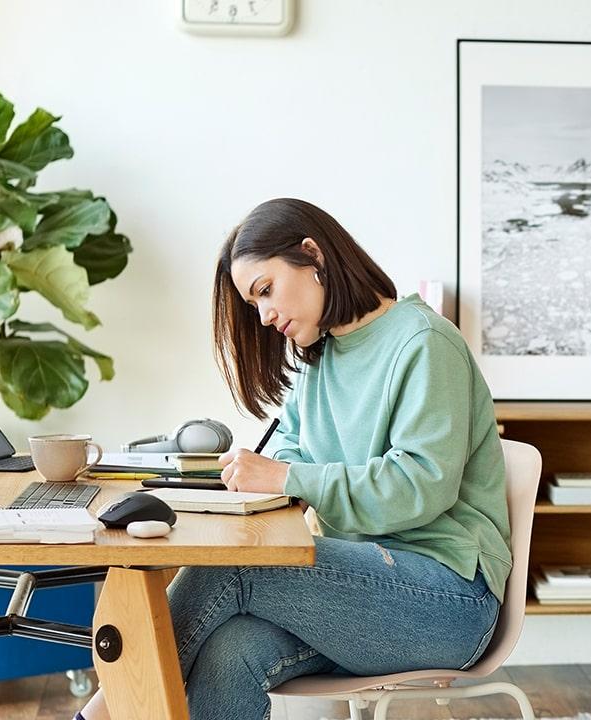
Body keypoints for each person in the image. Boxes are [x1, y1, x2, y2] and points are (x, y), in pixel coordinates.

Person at [76, 198, 510, 720]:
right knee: (228, 652)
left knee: (235, 569)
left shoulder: (424, 343)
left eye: (265, 290)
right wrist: (265, 478)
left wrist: (289, 475)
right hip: (362, 595)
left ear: (313, 256)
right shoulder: (320, 356)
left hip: (448, 600)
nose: (263, 316)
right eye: (253, 303)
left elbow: (420, 486)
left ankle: (99, 714)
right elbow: (292, 447)